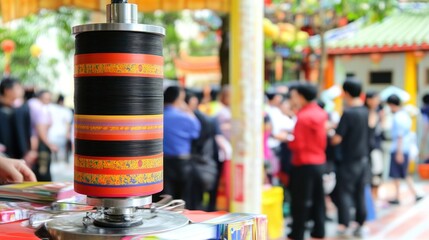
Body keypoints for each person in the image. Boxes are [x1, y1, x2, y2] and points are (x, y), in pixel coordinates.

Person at [287, 82, 327, 240]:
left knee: (300, 201)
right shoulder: (320, 112)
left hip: (303, 163)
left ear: (302, 97)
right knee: (318, 198)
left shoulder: (303, 117)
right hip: (319, 161)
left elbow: (297, 144)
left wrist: (288, 140)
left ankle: (297, 233)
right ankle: (319, 230)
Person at [331, 79, 369, 237]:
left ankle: (344, 223)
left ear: (346, 93)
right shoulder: (364, 111)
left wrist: (331, 134)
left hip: (348, 160)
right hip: (363, 159)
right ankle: (360, 222)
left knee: (344, 192)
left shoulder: (348, 113)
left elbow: (337, 139)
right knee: (360, 192)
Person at [163, 86, 201, 204]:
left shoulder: (158, 116)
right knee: (183, 199)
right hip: (183, 162)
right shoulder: (186, 117)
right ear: (178, 99)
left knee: (166, 198)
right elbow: (196, 132)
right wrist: (188, 111)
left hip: (163, 163)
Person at [386, 94, 423, 204]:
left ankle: (415, 193)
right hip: (403, 148)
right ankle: (398, 195)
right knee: (398, 174)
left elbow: (400, 136)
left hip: (399, 149)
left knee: (402, 173)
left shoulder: (398, 117)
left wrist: (399, 152)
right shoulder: (404, 115)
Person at [28, 90, 57, 181]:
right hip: (41, 144)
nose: (49, 100)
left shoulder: (32, 105)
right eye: (47, 98)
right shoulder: (39, 108)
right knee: (43, 171)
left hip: (35, 142)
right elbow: (40, 131)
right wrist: (50, 145)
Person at [365, 91, 384, 199]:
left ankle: (374, 197)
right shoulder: (367, 113)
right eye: (376, 99)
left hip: (376, 147)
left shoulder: (377, 112)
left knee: (377, 173)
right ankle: (371, 198)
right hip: (369, 149)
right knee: (373, 174)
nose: (377, 102)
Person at [48, 94, 72, 163]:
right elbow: (68, 124)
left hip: (51, 134)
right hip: (61, 134)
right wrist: (67, 133)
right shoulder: (66, 111)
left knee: (53, 153)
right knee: (61, 153)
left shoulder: (50, 108)